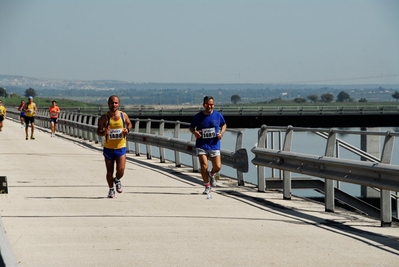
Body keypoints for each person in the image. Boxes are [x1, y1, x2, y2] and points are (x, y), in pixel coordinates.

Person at [189, 96, 227, 195]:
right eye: (207, 105)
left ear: (213, 105)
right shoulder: (198, 116)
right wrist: (195, 132)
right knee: (204, 166)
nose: (209, 107)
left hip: (214, 144)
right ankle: (207, 186)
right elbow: (191, 127)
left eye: (211, 105)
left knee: (218, 167)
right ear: (203, 105)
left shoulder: (218, 115)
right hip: (202, 144)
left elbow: (224, 125)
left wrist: (221, 133)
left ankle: (212, 174)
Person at [97, 95, 132, 198]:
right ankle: (111, 189)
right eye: (112, 103)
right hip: (108, 148)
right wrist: (104, 132)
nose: (114, 105)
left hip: (121, 147)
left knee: (121, 170)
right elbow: (98, 132)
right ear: (108, 104)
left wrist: (127, 130)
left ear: (119, 104)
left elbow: (129, 124)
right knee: (109, 171)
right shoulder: (104, 117)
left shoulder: (123, 115)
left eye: (116, 103)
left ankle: (117, 179)